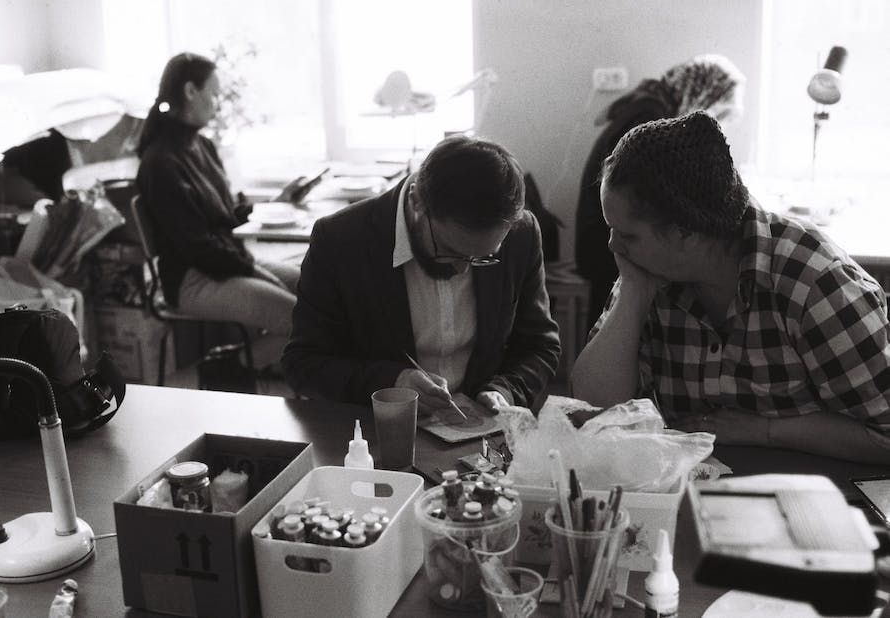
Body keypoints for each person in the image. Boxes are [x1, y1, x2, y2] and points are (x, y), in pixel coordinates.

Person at [570, 111, 890, 464]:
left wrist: (765, 431)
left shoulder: (816, 284)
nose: (613, 246)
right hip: (697, 491)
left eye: (627, 235)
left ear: (685, 233)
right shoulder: (651, 271)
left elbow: (884, 436)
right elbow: (594, 411)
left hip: (812, 493)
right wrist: (632, 293)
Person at [282, 135, 560, 415]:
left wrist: (506, 390)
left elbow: (538, 345)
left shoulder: (521, 235)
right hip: (379, 435)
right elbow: (304, 364)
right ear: (417, 201)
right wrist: (392, 383)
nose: (463, 269)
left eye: (484, 257)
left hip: (482, 439)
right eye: (449, 250)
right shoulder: (340, 240)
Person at [136, 52, 300, 346]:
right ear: (190, 91)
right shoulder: (159, 163)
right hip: (192, 278)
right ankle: (231, 368)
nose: (218, 103)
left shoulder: (204, 146)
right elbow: (197, 246)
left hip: (225, 262)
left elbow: (223, 217)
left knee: (316, 287)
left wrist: (275, 204)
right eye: (213, 94)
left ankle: (258, 367)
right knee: (301, 319)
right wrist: (254, 270)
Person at [575, 54, 746, 326]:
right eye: (719, 109)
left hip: (615, 231)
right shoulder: (651, 120)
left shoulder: (648, 102)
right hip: (614, 239)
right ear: (705, 93)